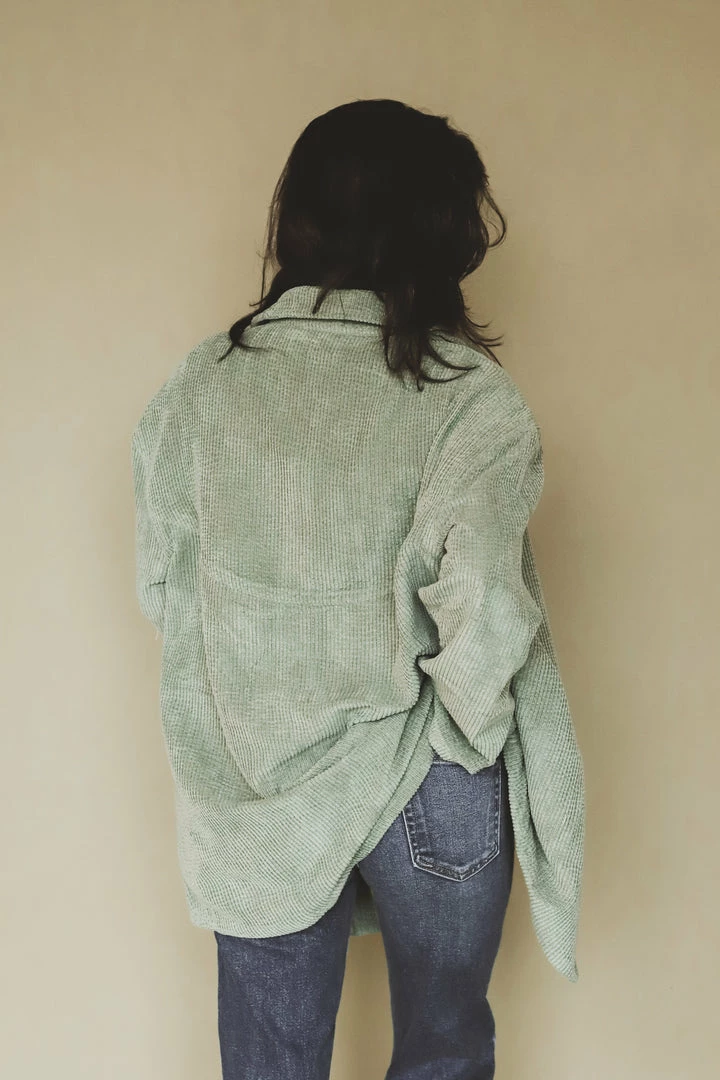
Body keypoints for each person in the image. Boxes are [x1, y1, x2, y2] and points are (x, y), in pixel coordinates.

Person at [131, 98, 585, 1080]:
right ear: (437, 229)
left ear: (298, 218)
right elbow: (487, 608)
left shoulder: (201, 388)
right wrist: (457, 734)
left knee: (270, 1067)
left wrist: (263, 694)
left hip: (256, 783)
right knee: (444, 1053)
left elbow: (167, 585)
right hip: (431, 776)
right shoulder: (467, 394)